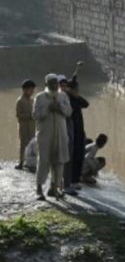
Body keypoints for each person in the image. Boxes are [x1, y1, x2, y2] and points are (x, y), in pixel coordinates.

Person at [33, 73, 72, 201]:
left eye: (56, 83)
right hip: (45, 136)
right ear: (46, 85)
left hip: (60, 135)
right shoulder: (40, 97)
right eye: (51, 83)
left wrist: (59, 108)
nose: (54, 85)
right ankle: (39, 189)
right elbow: (36, 115)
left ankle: (54, 189)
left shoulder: (63, 96)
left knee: (59, 161)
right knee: (44, 161)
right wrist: (49, 108)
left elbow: (69, 112)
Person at [65, 77, 89, 192]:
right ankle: (69, 181)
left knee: (79, 156)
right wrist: (69, 93)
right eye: (77, 89)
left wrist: (76, 95)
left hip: (79, 132)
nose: (78, 91)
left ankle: (75, 180)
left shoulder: (76, 99)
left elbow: (86, 104)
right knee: (72, 158)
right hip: (71, 132)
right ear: (71, 89)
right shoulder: (67, 99)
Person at [15, 79, 36, 170]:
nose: (32, 92)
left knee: (32, 145)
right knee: (24, 144)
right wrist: (29, 116)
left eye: (32, 90)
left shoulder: (32, 100)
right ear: (24, 90)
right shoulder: (20, 101)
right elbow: (18, 115)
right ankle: (21, 162)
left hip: (32, 126)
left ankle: (30, 163)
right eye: (30, 90)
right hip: (23, 126)